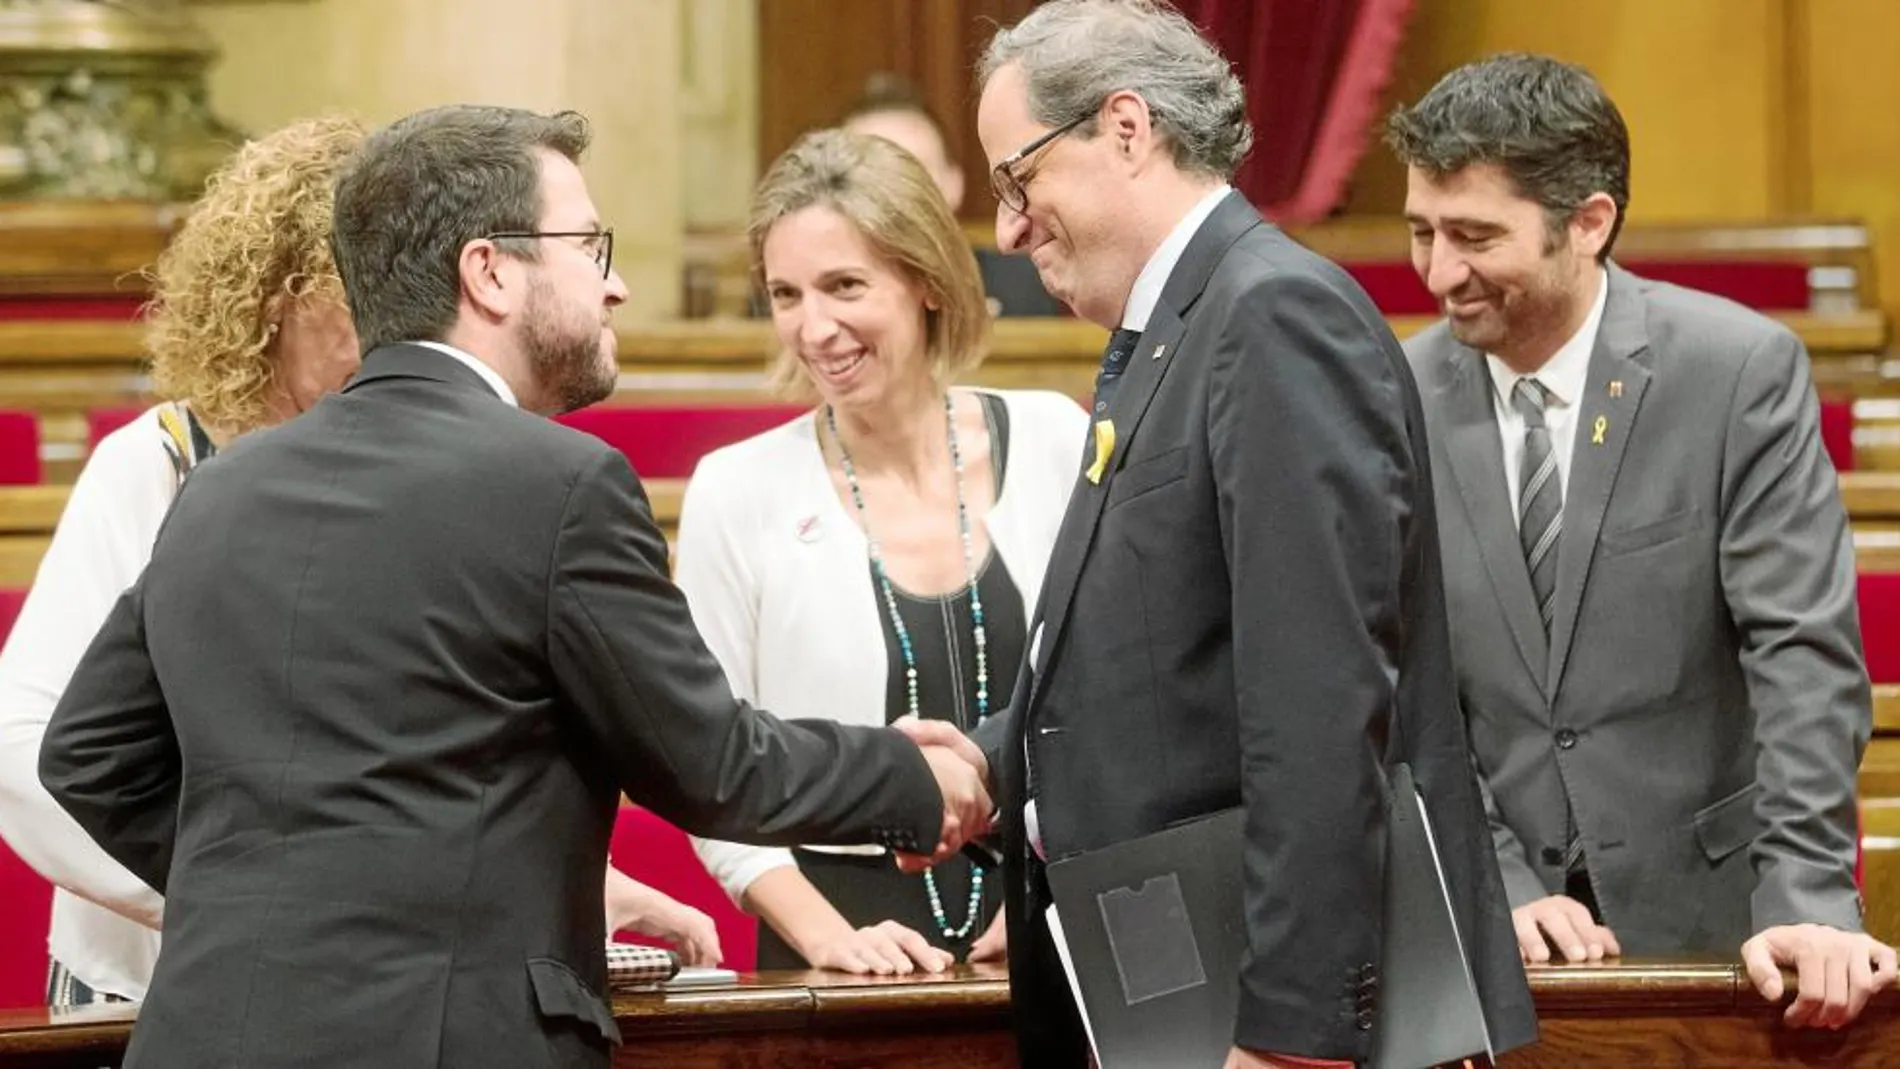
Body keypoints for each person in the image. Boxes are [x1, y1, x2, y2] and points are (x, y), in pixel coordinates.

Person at [36, 104, 990, 1069]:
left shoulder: (220, 487)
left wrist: (252, 899)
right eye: (588, 245)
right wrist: (920, 781)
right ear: (489, 271)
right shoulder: (561, 484)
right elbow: (711, 763)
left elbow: (87, 753)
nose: (615, 285)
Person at [907, 2, 1538, 1066]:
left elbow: (1320, 698)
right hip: (1173, 994)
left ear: (1123, 128)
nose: (1007, 228)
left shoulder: (1269, 316)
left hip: (1265, 1024)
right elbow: (1167, 657)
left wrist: (1293, 1034)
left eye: (1018, 180)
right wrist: (990, 755)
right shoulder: (1180, 329)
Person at [0, 117, 722, 1009]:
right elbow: (31, 756)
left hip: (375, 989)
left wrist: (574, 884)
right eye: (358, 296)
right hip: (159, 983)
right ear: (272, 300)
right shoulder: (157, 465)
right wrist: (254, 900)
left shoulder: (429, 475)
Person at [1389, 52, 1899, 1029]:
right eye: (1422, 231)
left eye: (1473, 235)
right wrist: (1489, 872)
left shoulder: (1735, 371)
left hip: (1713, 923)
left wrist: (1804, 900)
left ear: (1587, 223)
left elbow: (1801, 655)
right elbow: (1400, 677)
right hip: (1482, 932)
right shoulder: (1393, 392)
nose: (1439, 270)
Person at [678, 129, 1087, 974]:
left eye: (845, 286)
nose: (813, 326)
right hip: (835, 939)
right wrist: (833, 940)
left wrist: (1063, 894)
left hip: (1057, 916)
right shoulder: (735, 489)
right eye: (785, 293)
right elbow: (707, 771)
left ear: (927, 281)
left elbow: (1121, 700)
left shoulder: (1055, 437)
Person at [840, 74, 1064, 317]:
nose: (894, 195)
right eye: (871, 175)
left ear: (954, 183)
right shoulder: (814, 299)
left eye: (914, 173)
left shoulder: (1026, 284)